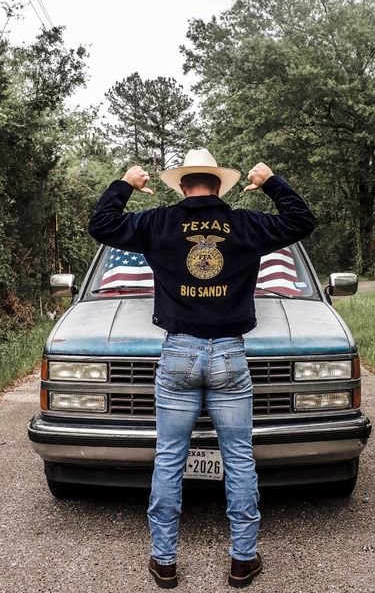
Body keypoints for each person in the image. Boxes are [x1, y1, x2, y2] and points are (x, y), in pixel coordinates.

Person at [88, 148, 315, 589]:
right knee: (239, 458)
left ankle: (165, 562)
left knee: (170, 458)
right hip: (230, 354)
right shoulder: (245, 224)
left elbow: (101, 225)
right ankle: (242, 561)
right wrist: (271, 181)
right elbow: (301, 220)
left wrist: (125, 184)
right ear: (219, 183)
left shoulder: (159, 222)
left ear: (182, 184)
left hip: (178, 353)